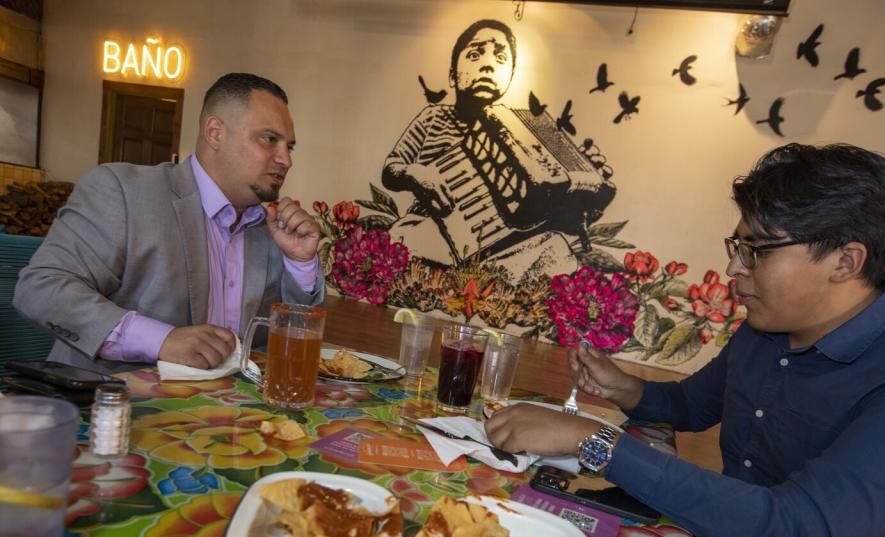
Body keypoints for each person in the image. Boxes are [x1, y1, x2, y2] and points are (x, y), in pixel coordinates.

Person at [487, 143, 885, 537]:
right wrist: (624, 387)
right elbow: (689, 406)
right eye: (737, 246)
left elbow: (792, 535)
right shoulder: (765, 328)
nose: (735, 268)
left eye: (756, 251)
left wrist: (591, 439)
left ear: (845, 262)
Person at [14, 73, 324, 372]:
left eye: (289, 146)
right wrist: (162, 340)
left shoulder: (272, 227)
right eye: (269, 139)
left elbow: (290, 339)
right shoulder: (121, 192)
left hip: (228, 417)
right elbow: (41, 290)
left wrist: (301, 263)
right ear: (215, 132)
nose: (286, 159)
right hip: (113, 407)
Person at [382, 19, 613, 282]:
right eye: (474, 54)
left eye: (500, 58)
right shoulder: (434, 117)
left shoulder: (529, 135)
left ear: (511, 76)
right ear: (451, 75)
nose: (488, 65)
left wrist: (585, 186)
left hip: (498, 247)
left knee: (556, 250)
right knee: (407, 238)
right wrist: (413, 173)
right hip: (432, 228)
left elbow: (551, 218)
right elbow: (392, 167)